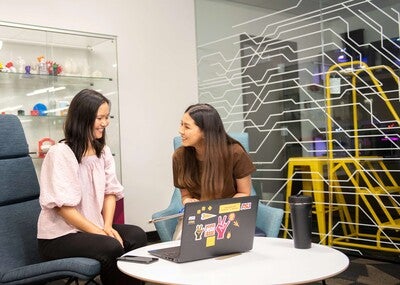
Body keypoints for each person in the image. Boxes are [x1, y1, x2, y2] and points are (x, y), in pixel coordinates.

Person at [37, 89, 147, 285]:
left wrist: (106, 226)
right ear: (83, 118)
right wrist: (100, 233)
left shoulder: (102, 151)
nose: (105, 123)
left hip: (92, 227)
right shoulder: (60, 153)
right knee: (110, 246)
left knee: (137, 235)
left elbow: (110, 192)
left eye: (107, 117)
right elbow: (63, 208)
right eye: (100, 118)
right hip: (59, 237)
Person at [172, 103, 256, 239]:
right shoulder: (179, 156)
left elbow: (244, 193)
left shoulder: (235, 152)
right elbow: (185, 195)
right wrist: (188, 201)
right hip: (198, 216)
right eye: (181, 124)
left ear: (206, 132)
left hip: (229, 213)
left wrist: (220, 214)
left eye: (186, 127)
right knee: (182, 246)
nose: (180, 131)